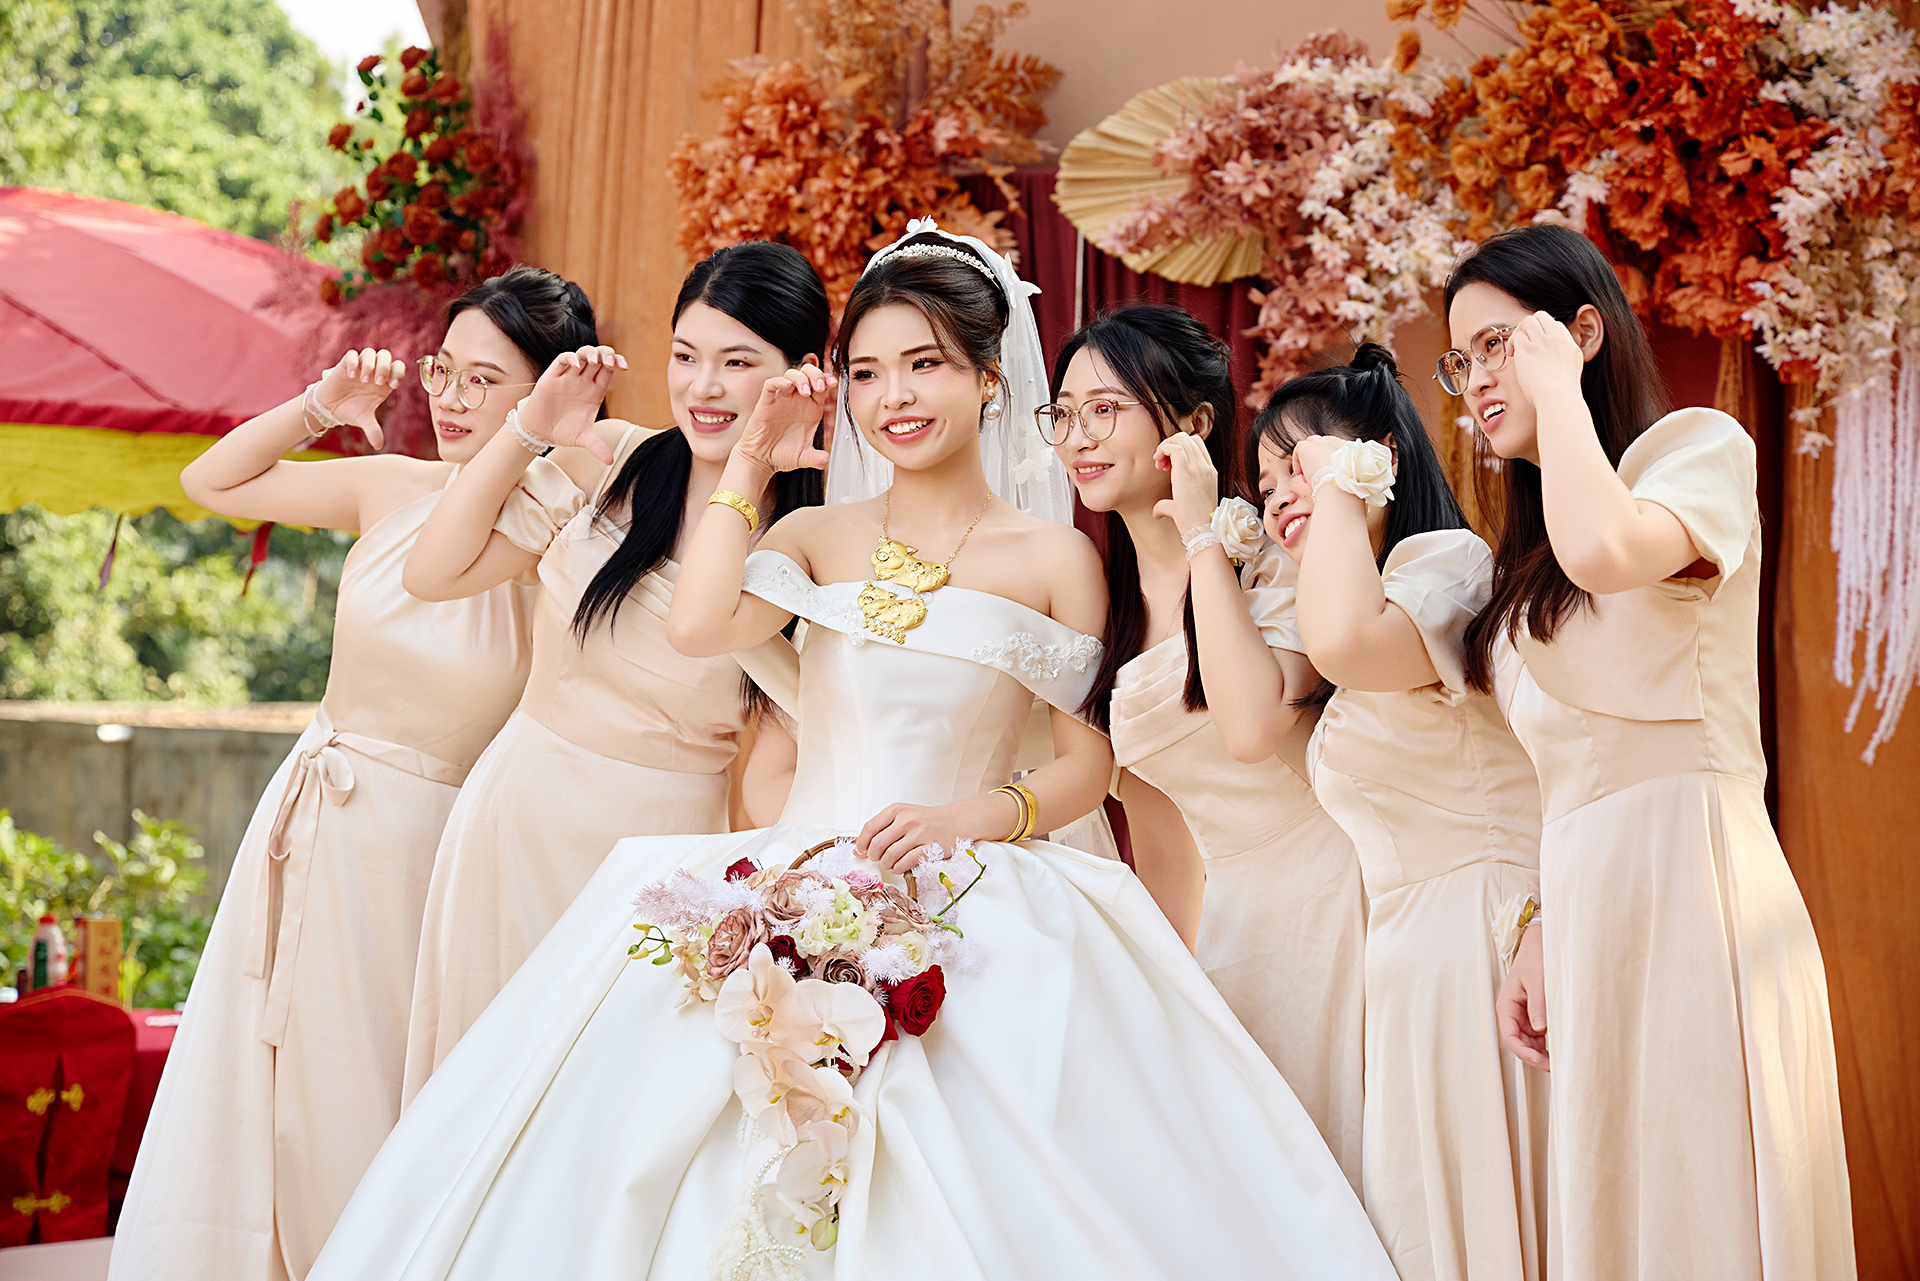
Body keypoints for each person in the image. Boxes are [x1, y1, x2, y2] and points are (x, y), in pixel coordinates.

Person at [305, 223, 1395, 1281]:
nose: (894, 397)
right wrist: (750, 459)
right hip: (787, 881)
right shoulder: (811, 536)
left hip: (970, 887)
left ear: (990, 379)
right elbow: (699, 622)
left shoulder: (1055, 556)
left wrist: (971, 819)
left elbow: (1086, 767)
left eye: (926, 365)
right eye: (866, 373)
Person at [109, 268, 589, 1281]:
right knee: (279, 1082)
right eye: (443, 372)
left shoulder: (560, 532)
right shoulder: (394, 487)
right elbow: (211, 483)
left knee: (377, 1095)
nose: (451, 399)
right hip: (318, 814)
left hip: (436, 855)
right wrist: (321, 407)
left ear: (547, 391)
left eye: (484, 380)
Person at [1448, 223, 1854, 1281]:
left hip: (1694, 878)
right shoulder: (1528, 561)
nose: (1477, 378)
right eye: (1461, 359)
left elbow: (1607, 549)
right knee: (1620, 1204)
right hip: (1591, 904)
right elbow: (1556, 778)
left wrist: (1559, 392)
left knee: (1705, 1191)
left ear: (1582, 333)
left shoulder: (1695, 451)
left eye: (1499, 344)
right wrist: (1537, 924)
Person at [397, 242, 827, 1100]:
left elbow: (792, 751)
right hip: (518, 813)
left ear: (804, 374)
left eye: (737, 362)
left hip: (662, 856)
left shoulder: (812, 541)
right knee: (480, 1091)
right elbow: (431, 571)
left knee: (610, 1105)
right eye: (685, 355)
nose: (703, 387)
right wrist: (528, 429)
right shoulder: (615, 459)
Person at [1051, 303, 1365, 1187]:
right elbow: (1160, 833)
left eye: (1106, 409)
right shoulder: (1103, 606)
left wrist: (1202, 544)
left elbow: (1256, 725)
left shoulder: (1274, 553)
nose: (1079, 436)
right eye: (1063, 414)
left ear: (1190, 422)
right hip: (1235, 926)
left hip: (1338, 898)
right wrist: (1167, 986)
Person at [1252, 344, 1548, 1281]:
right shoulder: (1363, 620)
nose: (1280, 497)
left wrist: (1337, 490)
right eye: (1265, 485)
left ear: (1376, 459)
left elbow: (1343, 639)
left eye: (1297, 464)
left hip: (1480, 935)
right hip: (1407, 959)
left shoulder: (1443, 564)